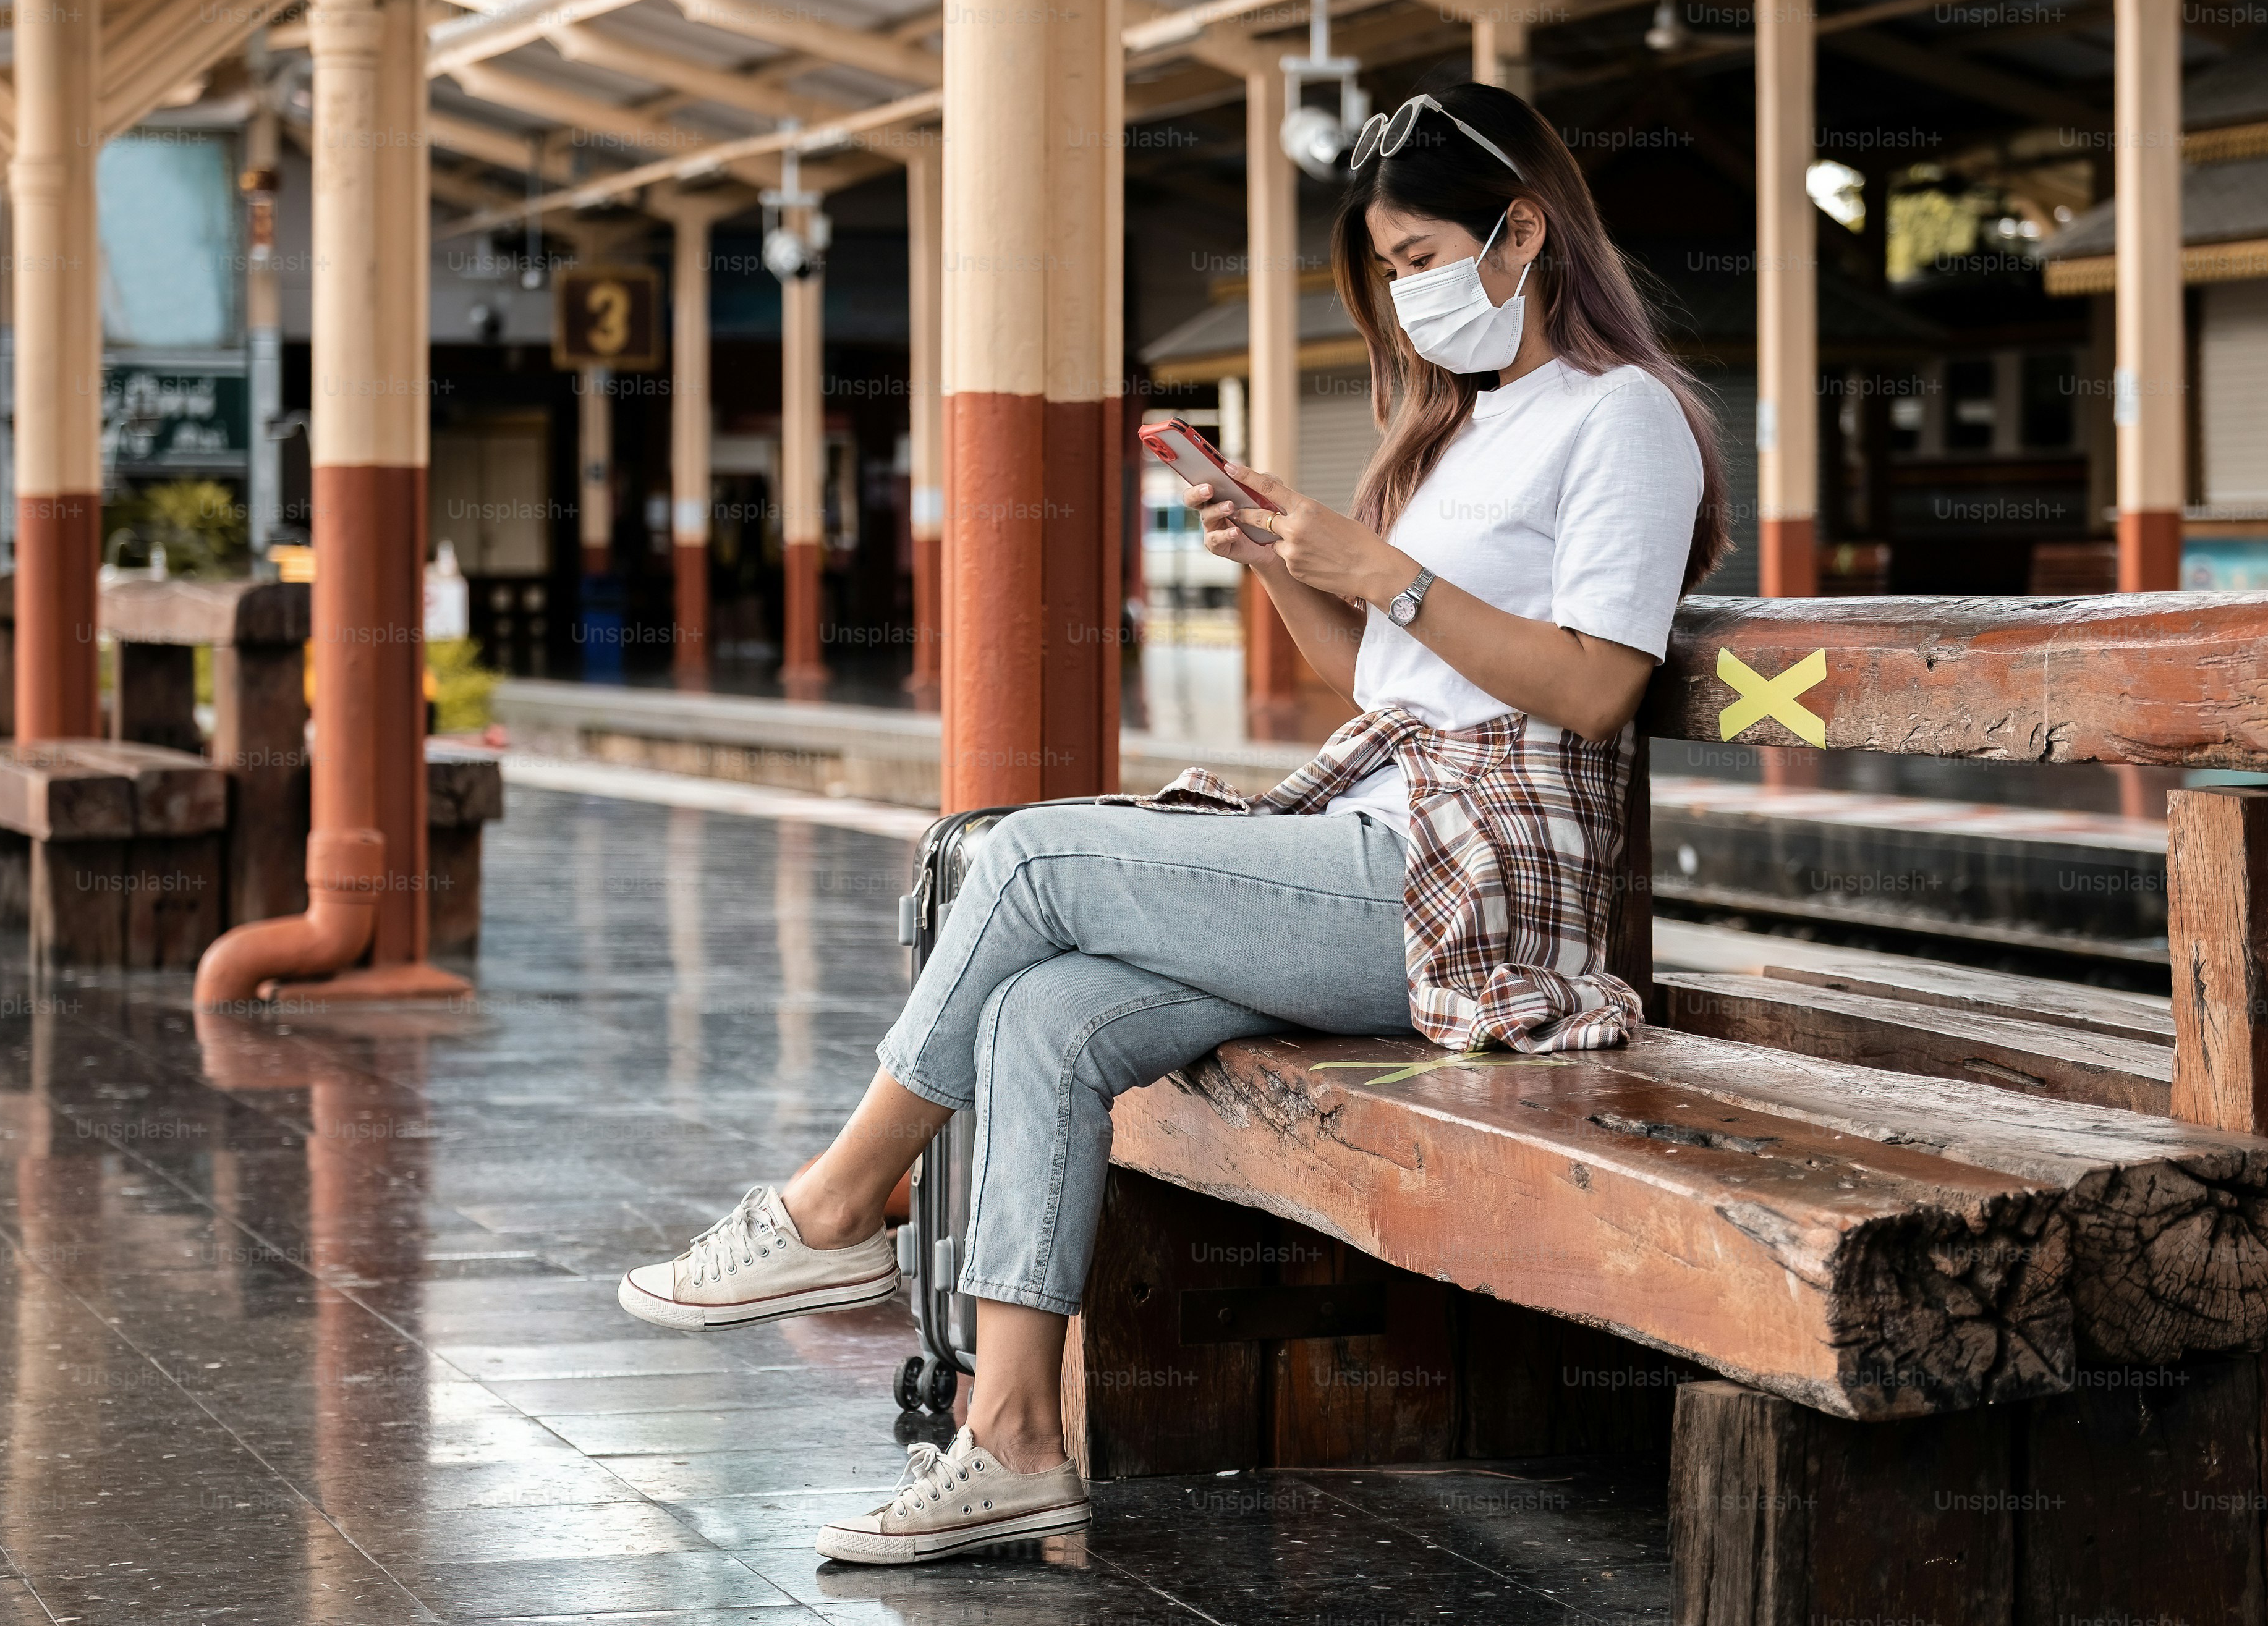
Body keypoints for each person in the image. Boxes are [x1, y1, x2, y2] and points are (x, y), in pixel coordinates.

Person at [618, 81, 1729, 1567]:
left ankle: (835, 1204)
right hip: (1378, 844)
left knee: (1028, 853)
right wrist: (1287, 563)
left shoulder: (1624, 421)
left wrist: (1385, 569)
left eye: (1416, 260)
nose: (1403, 300)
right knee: (1051, 1017)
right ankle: (1012, 1436)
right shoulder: (1460, 433)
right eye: (1387, 272)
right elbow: (1371, 677)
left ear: (1523, 229)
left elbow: (1594, 690)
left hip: (1475, 887)